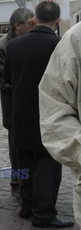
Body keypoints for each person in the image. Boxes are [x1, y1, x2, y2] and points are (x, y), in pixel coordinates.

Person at [4, 1, 73, 228]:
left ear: (35, 19)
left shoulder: (14, 46)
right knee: (47, 166)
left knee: (24, 162)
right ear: (57, 20)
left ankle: (26, 205)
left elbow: (8, 81)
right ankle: (43, 213)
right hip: (49, 114)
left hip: (20, 113)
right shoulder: (60, 45)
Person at [39, 21, 81, 226]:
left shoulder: (8, 46)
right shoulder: (73, 39)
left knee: (28, 169)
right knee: (43, 170)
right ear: (56, 22)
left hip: (23, 118)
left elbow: (5, 80)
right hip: (50, 121)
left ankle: (32, 205)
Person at [0, 8, 34, 199]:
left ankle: (31, 182)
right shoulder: (2, 46)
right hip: (13, 106)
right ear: (17, 26)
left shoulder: (31, 40)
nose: (34, 26)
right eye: (30, 24)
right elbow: (4, 80)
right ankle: (16, 183)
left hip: (31, 105)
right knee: (16, 149)